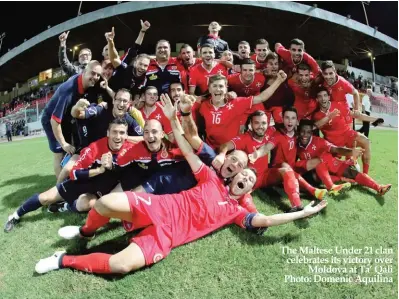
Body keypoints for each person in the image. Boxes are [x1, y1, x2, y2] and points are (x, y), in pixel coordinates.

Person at [34, 95, 327, 275]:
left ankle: (63, 260)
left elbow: (264, 218)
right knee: (104, 203)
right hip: (162, 205)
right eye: (240, 171)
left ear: (248, 189)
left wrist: (301, 213)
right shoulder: (212, 173)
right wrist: (174, 119)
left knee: (120, 265)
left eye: (248, 178)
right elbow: (189, 147)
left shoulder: (235, 211)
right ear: (232, 172)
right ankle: (85, 232)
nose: (243, 175)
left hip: (169, 236)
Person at [4, 119, 133, 233]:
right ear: (108, 133)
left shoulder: (131, 150)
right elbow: (74, 173)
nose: (118, 136)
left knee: (87, 204)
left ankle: (64, 206)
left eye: (122, 133)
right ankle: (15, 216)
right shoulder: (95, 148)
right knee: (45, 198)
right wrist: (99, 170)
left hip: (99, 191)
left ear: (127, 135)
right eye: (114, 132)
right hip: (82, 182)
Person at [249, 107, 327, 212]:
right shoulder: (277, 134)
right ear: (282, 118)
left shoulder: (298, 132)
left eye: (293, 118)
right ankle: (304, 198)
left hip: (293, 168)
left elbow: (314, 126)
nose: (290, 121)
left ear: (296, 121)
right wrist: (257, 154)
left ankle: (321, 183)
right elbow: (267, 147)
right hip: (278, 170)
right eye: (287, 118)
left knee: (318, 161)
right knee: (286, 166)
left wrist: (329, 117)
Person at [41, 61, 102, 178]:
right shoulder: (68, 90)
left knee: (70, 149)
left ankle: (69, 177)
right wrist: (63, 143)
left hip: (65, 119)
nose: (95, 77)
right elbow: (55, 120)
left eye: (98, 75)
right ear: (84, 72)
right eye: (92, 73)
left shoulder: (86, 85)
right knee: (59, 152)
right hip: (51, 120)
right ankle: (60, 189)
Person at [297, 120, 391, 196]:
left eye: (308, 132)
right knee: (313, 172)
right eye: (303, 131)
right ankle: (335, 183)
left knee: (352, 173)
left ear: (312, 133)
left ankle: (379, 188)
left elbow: (336, 149)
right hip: (315, 172)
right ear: (298, 131)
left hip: (331, 164)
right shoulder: (296, 145)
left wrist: (351, 152)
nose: (305, 135)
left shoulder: (318, 141)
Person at [196, 71, 287, 149]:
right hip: (210, 149)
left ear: (226, 88)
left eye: (221, 86)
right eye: (214, 86)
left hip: (230, 149)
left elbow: (261, 98)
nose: (218, 89)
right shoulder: (203, 105)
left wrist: (278, 81)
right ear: (209, 88)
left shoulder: (236, 103)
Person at [313, 86, 383, 174]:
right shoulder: (316, 115)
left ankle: (365, 174)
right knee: (330, 168)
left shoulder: (338, 105)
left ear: (329, 97)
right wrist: (328, 117)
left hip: (346, 134)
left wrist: (375, 119)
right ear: (317, 99)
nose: (323, 98)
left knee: (366, 141)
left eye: (325, 95)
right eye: (320, 96)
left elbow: (356, 115)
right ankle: (347, 165)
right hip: (332, 141)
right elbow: (315, 126)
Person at [262, 52, 295, 125]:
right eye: (271, 64)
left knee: (280, 124)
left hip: (279, 108)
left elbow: (290, 61)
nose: (274, 66)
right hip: (265, 109)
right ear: (266, 65)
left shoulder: (283, 75)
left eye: (276, 64)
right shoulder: (262, 78)